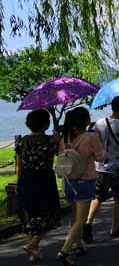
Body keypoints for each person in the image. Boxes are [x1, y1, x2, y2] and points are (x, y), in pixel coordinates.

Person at [84, 96, 119, 243]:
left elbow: (93, 143)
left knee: (98, 196)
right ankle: (115, 227)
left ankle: (88, 223)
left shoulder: (99, 123)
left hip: (101, 167)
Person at [58, 107, 103, 265]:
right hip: (85, 181)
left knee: (74, 216)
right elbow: (100, 157)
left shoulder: (64, 138)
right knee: (81, 219)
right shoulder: (91, 137)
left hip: (68, 182)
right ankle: (65, 250)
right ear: (85, 121)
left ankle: (78, 245)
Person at [15, 109, 61, 263]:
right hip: (44, 180)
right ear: (46, 123)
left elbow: (19, 164)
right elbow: (61, 155)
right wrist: (58, 139)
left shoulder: (23, 141)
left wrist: (19, 180)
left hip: (26, 179)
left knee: (32, 215)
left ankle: (33, 253)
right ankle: (33, 244)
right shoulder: (50, 141)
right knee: (50, 214)